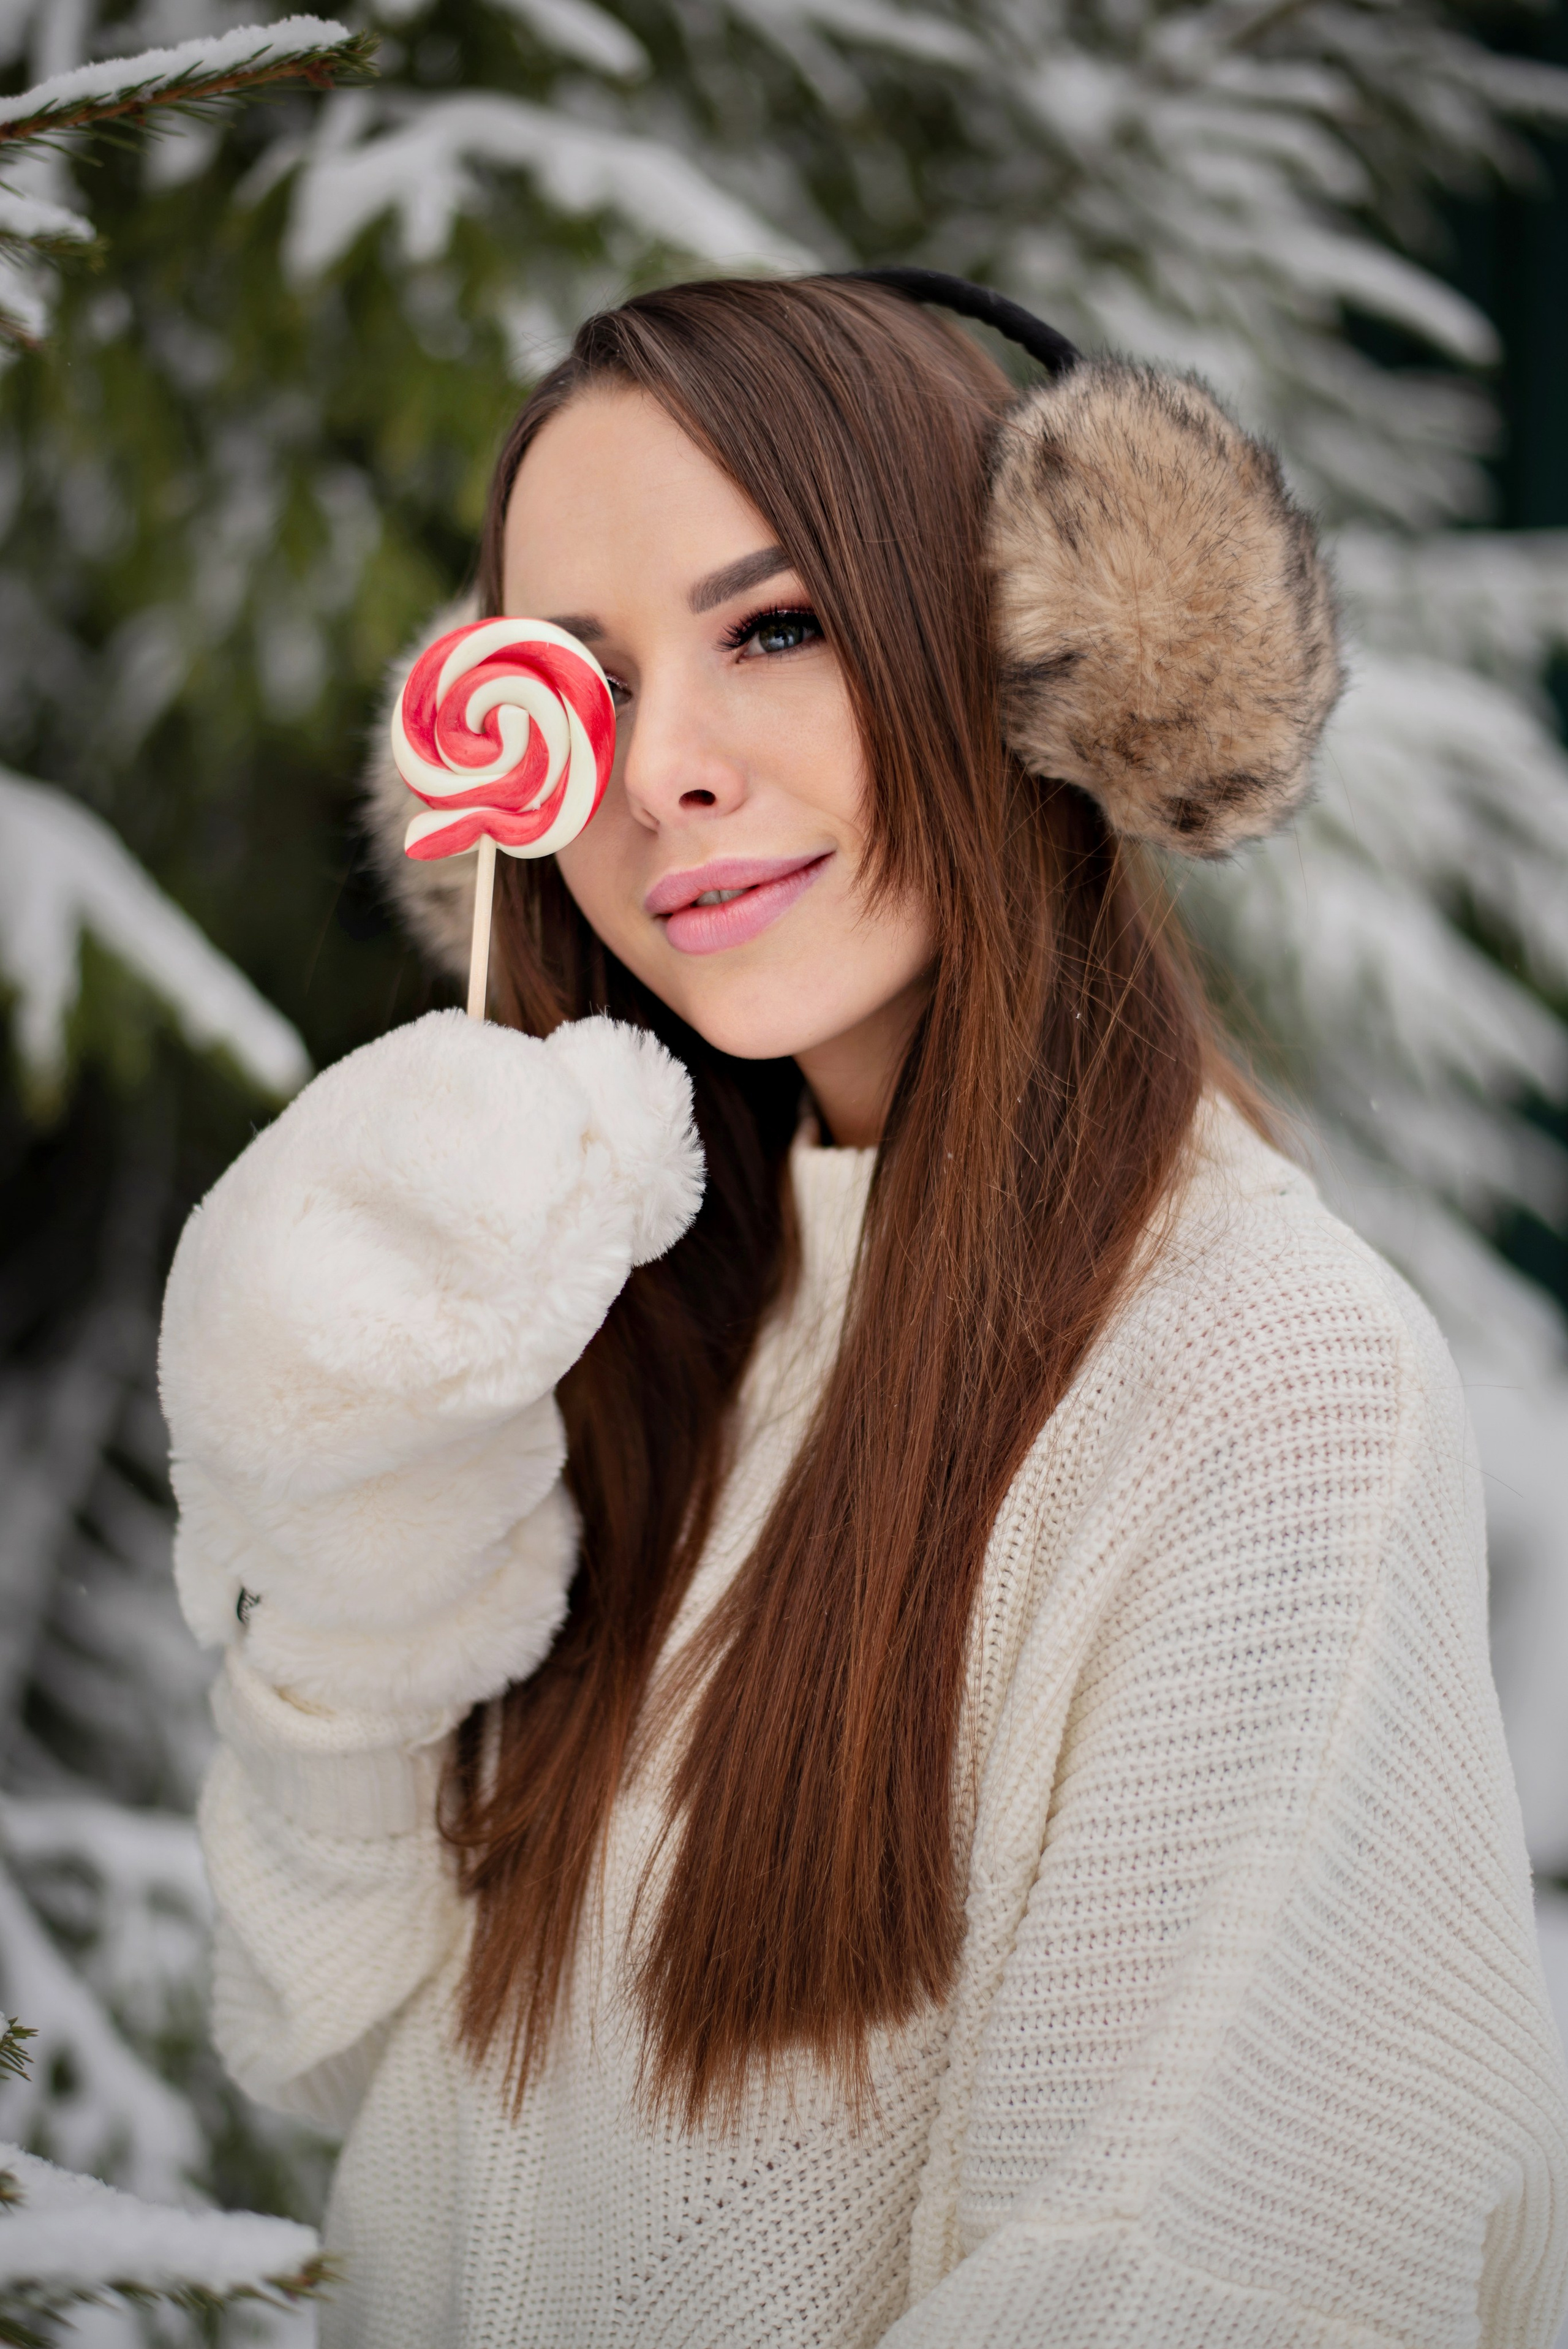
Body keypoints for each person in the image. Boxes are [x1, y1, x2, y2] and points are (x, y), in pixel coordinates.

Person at [159, 274, 1568, 2347]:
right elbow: (336, 2039)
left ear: (1031, 656)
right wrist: (363, 1515)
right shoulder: (638, 1316)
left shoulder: (1269, 1388)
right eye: (587, 677)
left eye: (775, 627)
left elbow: (1178, 2286)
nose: (663, 775)